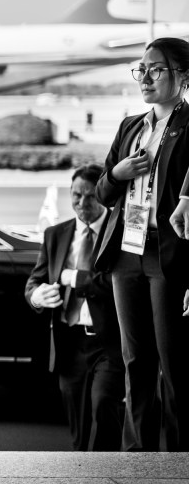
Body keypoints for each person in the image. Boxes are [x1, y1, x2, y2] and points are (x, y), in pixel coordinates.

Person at [97, 37, 189, 451]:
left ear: (183, 76)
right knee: (135, 363)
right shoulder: (131, 127)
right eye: (142, 69)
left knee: (175, 366)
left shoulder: (188, 126)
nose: (146, 78)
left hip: (168, 256)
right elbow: (102, 193)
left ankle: (178, 462)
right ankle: (137, 460)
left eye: (156, 69)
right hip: (126, 253)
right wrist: (116, 173)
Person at [24, 164, 124, 451]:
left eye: (90, 196)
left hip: (109, 341)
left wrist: (77, 278)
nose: (82, 204)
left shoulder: (118, 233)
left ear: (103, 196)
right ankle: (82, 472)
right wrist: (37, 296)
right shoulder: (56, 234)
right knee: (77, 420)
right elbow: (35, 280)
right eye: (76, 196)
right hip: (69, 342)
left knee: (104, 404)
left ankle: (107, 468)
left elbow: (121, 282)